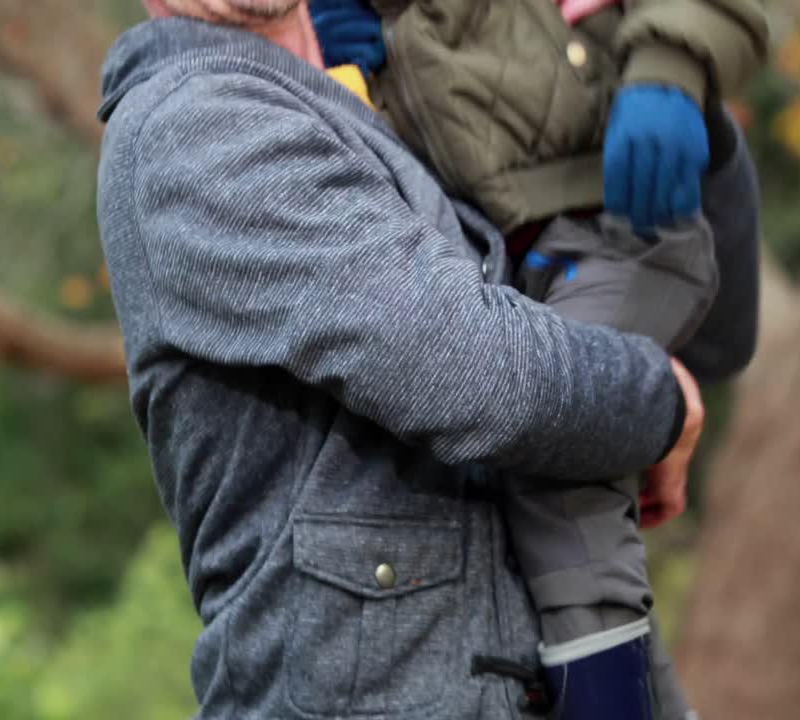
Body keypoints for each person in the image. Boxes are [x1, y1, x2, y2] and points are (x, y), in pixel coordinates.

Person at [94, 1, 759, 717]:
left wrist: (659, 84)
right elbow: (478, 379)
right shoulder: (200, 121)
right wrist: (659, 403)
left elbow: (717, 337)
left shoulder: (408, 98)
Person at [305, 0, 768, 716]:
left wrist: (668, 73)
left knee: (556, 458)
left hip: (620, 223)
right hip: (506, 275)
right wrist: (342, 72)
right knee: (566, 526)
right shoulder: (335, 36)